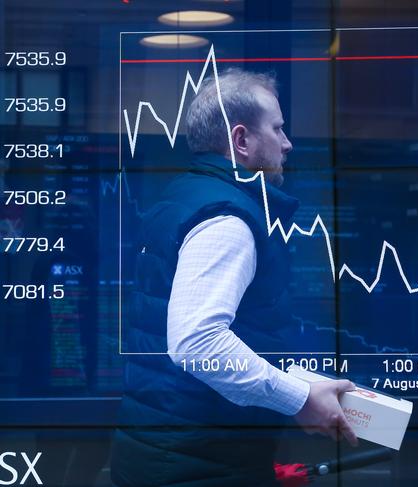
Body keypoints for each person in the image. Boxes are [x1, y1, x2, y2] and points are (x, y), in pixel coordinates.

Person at [111, 68, 357, 487]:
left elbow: (228, 334)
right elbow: (198, 342)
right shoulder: (227, 219)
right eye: (277, 129)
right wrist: (299, 400)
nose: (287, 143)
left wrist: (300, 390)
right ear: (241, 140)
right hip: (199, 467)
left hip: (172, 455)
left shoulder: (184, 196)